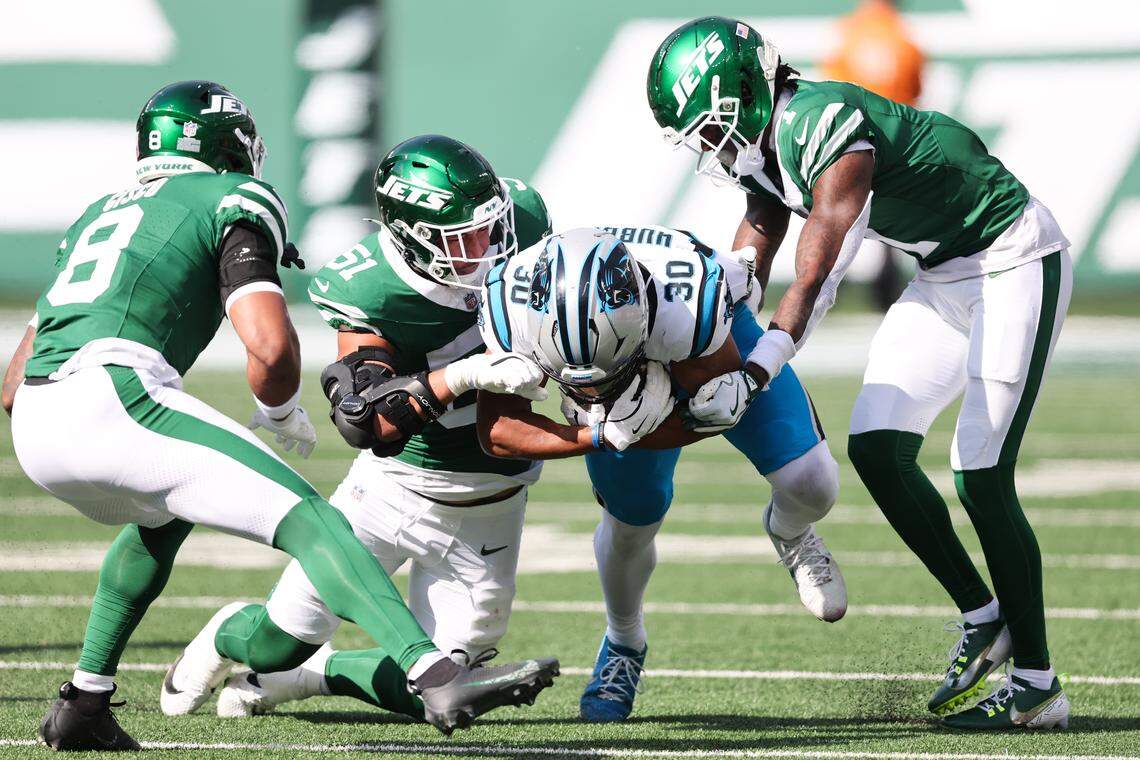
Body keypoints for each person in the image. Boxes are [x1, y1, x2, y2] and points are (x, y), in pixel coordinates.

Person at [2, 82, 557, 750]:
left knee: (163, 512)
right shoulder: (236, 195)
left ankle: (84, 703)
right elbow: (268, 345)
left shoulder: (96, 213)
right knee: (313, 520)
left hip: (37, 420)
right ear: (232, 144)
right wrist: (279, 408)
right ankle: (432, 672)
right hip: (111, 392)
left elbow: (11, 383)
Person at [647, 17, 1072, 729]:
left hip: (1015, 258)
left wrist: (757, 368)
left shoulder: (823, 122)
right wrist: (727, 290)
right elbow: (764, 216)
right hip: (944, 273)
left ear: (750, 94)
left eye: (713, 127)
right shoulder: (764, 143)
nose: (711, 147)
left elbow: (820, 271)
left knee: (981, 471)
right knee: (877, 446)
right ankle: (984, 615)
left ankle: (1037, 686)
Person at [178, 135, 557, 720]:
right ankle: (233, 631)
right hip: (390, 490)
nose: (488, 246)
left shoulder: (524, 222)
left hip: (492, 501)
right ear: (413, 238)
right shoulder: (371, 286)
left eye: (491, 226)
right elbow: (366, 420)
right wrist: (460, 376)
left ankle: (312, 676)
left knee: (448, 689)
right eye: (464, 238)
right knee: (274, 641)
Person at [477, 225, 844, 722]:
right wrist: (601, 435)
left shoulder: (688, 305)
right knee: (631, 526)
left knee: (812, 481)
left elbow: (716, 412)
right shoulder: (510, 306)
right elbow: (498, 431)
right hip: (611, 402)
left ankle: (791, 531)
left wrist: (665, 415)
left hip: (707, 343)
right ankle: (623, 641)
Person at [822, 0, 925, 311]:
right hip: (894, 135)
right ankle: (886, 287)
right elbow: (916, 87)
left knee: (836, 214)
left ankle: (826, 285)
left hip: (851, 135)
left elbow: (831, 85)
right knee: (887, 220)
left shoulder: (847, 32)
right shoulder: (902, 34)